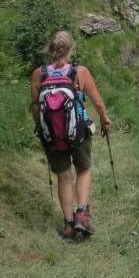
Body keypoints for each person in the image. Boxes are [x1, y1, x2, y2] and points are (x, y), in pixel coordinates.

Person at [30, 30, 112, 242]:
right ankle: (81, 216)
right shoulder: (79, 71)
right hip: (79, 133)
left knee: (63, 177)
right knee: (83, 170)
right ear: (71, 50)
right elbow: (98, 101)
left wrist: (42, 130)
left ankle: (68, 224)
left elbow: (35, 108)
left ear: (51, 50)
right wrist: (104, 119)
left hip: (52, 137)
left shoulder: (39, 74)